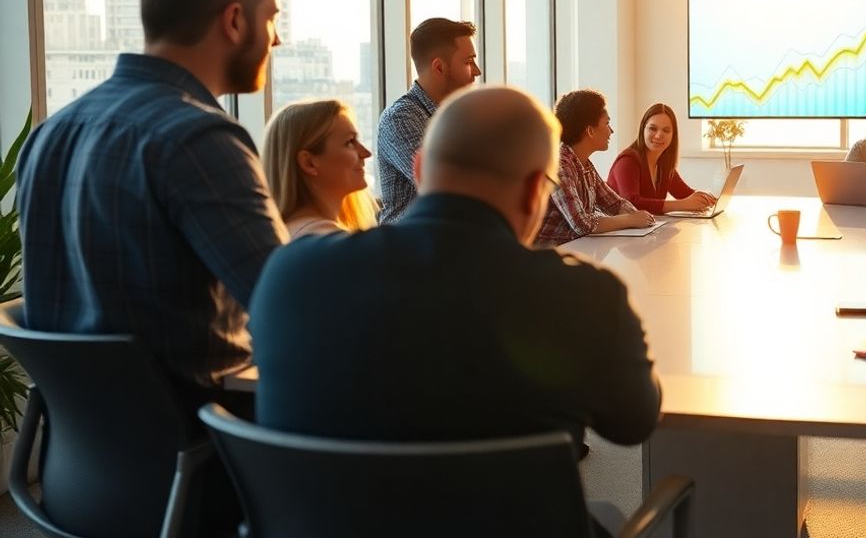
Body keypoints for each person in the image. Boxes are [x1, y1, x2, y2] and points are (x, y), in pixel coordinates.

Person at [250, 86, 661, 536]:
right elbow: (634, 419)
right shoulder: (582, 295)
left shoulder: (290, 272)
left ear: (421, 169)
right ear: (534, 192)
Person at [16, 0, 289, 412]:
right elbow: (288, 304)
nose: (276, 38)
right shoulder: (199, 140)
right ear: (234, 20)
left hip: (83, 465)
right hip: (208, 455)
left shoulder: (50, 134)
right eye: (271, 18)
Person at [376, 17, 481, 223]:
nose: (477, 71)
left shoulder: (457, 118)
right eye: (469, 62)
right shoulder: (401, 118)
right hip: (409, 249)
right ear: (439, 68)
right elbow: (447, 187)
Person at [536, 90, 654, 246]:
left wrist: (638, 216)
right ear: (590, 130)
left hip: (577, 248)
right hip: (548, 256)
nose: (611, 130)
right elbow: (581, 224)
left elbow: (614, 203)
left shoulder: (585, 165)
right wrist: (630, 219)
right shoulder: (559, 165)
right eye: (607, 123)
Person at [262, 100, 378, 239]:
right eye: (349, 142)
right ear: (309, 163)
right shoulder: (328, 240)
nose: (366, 153)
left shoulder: (286, 232)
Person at [607, 103, 716, 214]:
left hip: (647, 229)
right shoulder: (627, 161)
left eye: (666, 130)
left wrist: (706, 198)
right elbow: (631, 203)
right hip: (620, 231)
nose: (659, 135)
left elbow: (685, 193)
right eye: (653, 128)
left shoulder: (663, 164)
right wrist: (683, 204)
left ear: (673, 135)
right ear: (642, 129)